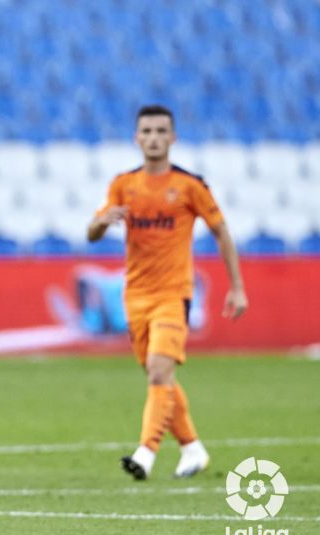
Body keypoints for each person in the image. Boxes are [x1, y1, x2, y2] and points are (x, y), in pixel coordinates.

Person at [87, 105, 248, 481]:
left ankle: (145, 453)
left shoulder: (190, 185)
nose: (154, 137)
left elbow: (222, 232)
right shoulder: (123, 184)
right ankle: (192, 448)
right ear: (137, 137)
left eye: (162, 131)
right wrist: (100, 222)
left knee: (160, 373)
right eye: (147, 131)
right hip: (136, 296)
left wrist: (237, 287)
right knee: (160, 378)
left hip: (173, 295)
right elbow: (91, 234)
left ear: (172, 138)